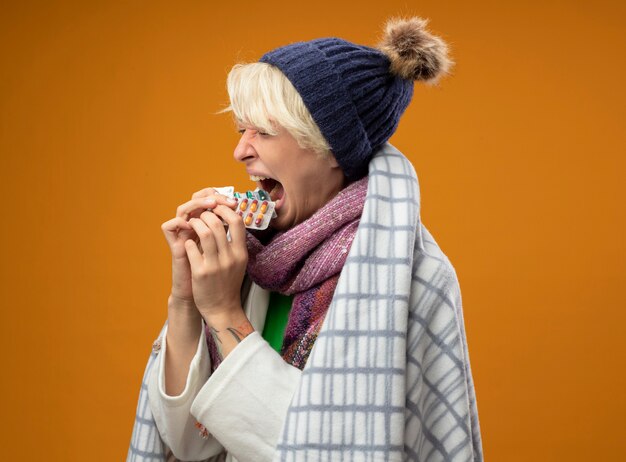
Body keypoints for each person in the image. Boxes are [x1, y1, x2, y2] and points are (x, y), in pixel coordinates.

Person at [128, 16, 483, 462]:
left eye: (264, 131)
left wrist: (223, 313)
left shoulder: (414, 280)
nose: (240, 151)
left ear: (332, 147)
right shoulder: (252, 260)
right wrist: (187, 299)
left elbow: (323, 449)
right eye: (242, 130)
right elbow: (189, 444)